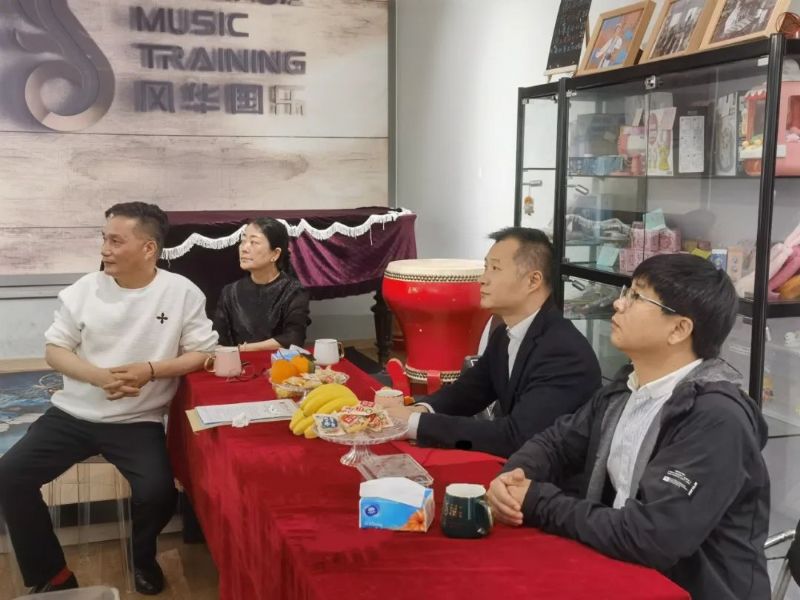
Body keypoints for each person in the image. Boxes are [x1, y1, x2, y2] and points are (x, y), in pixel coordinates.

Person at [487, 253, 770, 600]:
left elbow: (651, 535)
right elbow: (557, 442)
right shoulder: (628, 387)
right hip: (622, 569)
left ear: (679, 329)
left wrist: (536, 500)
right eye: (627, 291)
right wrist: (515, 475)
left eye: (637, 296)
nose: (619, 304)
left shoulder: (715, 419)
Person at [0, 202, 218, 595]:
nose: (105, 249)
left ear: (148, 248)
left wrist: (150, 370)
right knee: (9, 475)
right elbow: (55, 350)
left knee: (157, 494)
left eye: (116, 241)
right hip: (73, 414)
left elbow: (204, 353)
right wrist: (99, 378)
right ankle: (52, 575)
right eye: (104, 238)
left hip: (137, 420)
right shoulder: (84, 290)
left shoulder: (181, 293)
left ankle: (142, 557)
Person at [378, 227, 601, 458]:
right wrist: (419, 409)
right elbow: (470, 391)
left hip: (551, 474)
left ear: (533, 281)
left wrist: (415, 424)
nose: (482, 279)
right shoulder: (504, 334)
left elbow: (516, 437)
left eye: (495, 268)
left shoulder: (563, 352)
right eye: (486, 267)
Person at [213, 217, 310, 351]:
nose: (244, 248)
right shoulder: (230, 292)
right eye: (243, 241)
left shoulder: (293, 291)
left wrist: (242, 349)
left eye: (253, 242)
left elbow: (293, 338)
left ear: (275, 254)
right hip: (237, 362)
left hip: (279, 362)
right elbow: (217, 339)